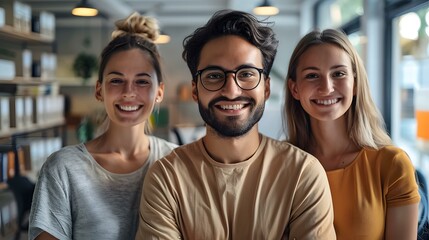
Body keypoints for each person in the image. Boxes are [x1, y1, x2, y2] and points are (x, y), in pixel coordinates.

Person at [135, 9, 336, 239]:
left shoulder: (303, 174)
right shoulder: (166, 178)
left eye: (247, 74)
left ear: (266, 88)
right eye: (213, 75)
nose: (231, 90)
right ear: (195, 90)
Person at [28, 12, 177, 240]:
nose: (129, 92)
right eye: (116, 80)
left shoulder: (175, 163)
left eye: (142, 81)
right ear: (99, 90)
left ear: (159, 92)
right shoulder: (63, 169)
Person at [284, 28, 421, 239]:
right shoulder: (280, 164)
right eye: (312, 76)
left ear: (355, 83)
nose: (326, 87)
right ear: (295, 89)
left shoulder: (391, 164)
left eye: (338, 74)